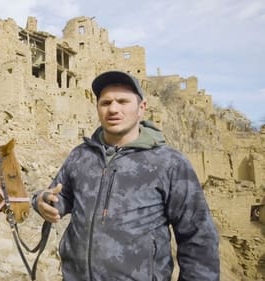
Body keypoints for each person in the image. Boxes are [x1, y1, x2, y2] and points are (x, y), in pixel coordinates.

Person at [32, 71, 220, 280]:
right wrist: (41, 201)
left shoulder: (169, 163)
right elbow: (60, 195)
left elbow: (198, 239)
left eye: (122, 101)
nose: (113, 109)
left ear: (142, 108)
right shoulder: (81, 155)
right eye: (106, 103)